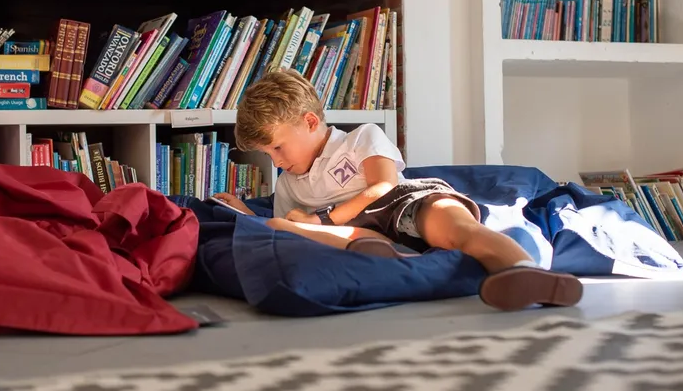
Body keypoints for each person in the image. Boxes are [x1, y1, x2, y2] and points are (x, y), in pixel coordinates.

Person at [213, 69, 583, 312]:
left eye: (278, 148)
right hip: (353, 233)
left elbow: (384, 185)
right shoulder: (289, 182)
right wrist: (244, 214)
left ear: (310, 122)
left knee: (459, 229)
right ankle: (387, 256)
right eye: (267, 155)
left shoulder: (362, 137)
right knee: (284, 228)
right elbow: (284, 225)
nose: (276, 161)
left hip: (402, 204)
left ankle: (523, 270)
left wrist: (322, 218)